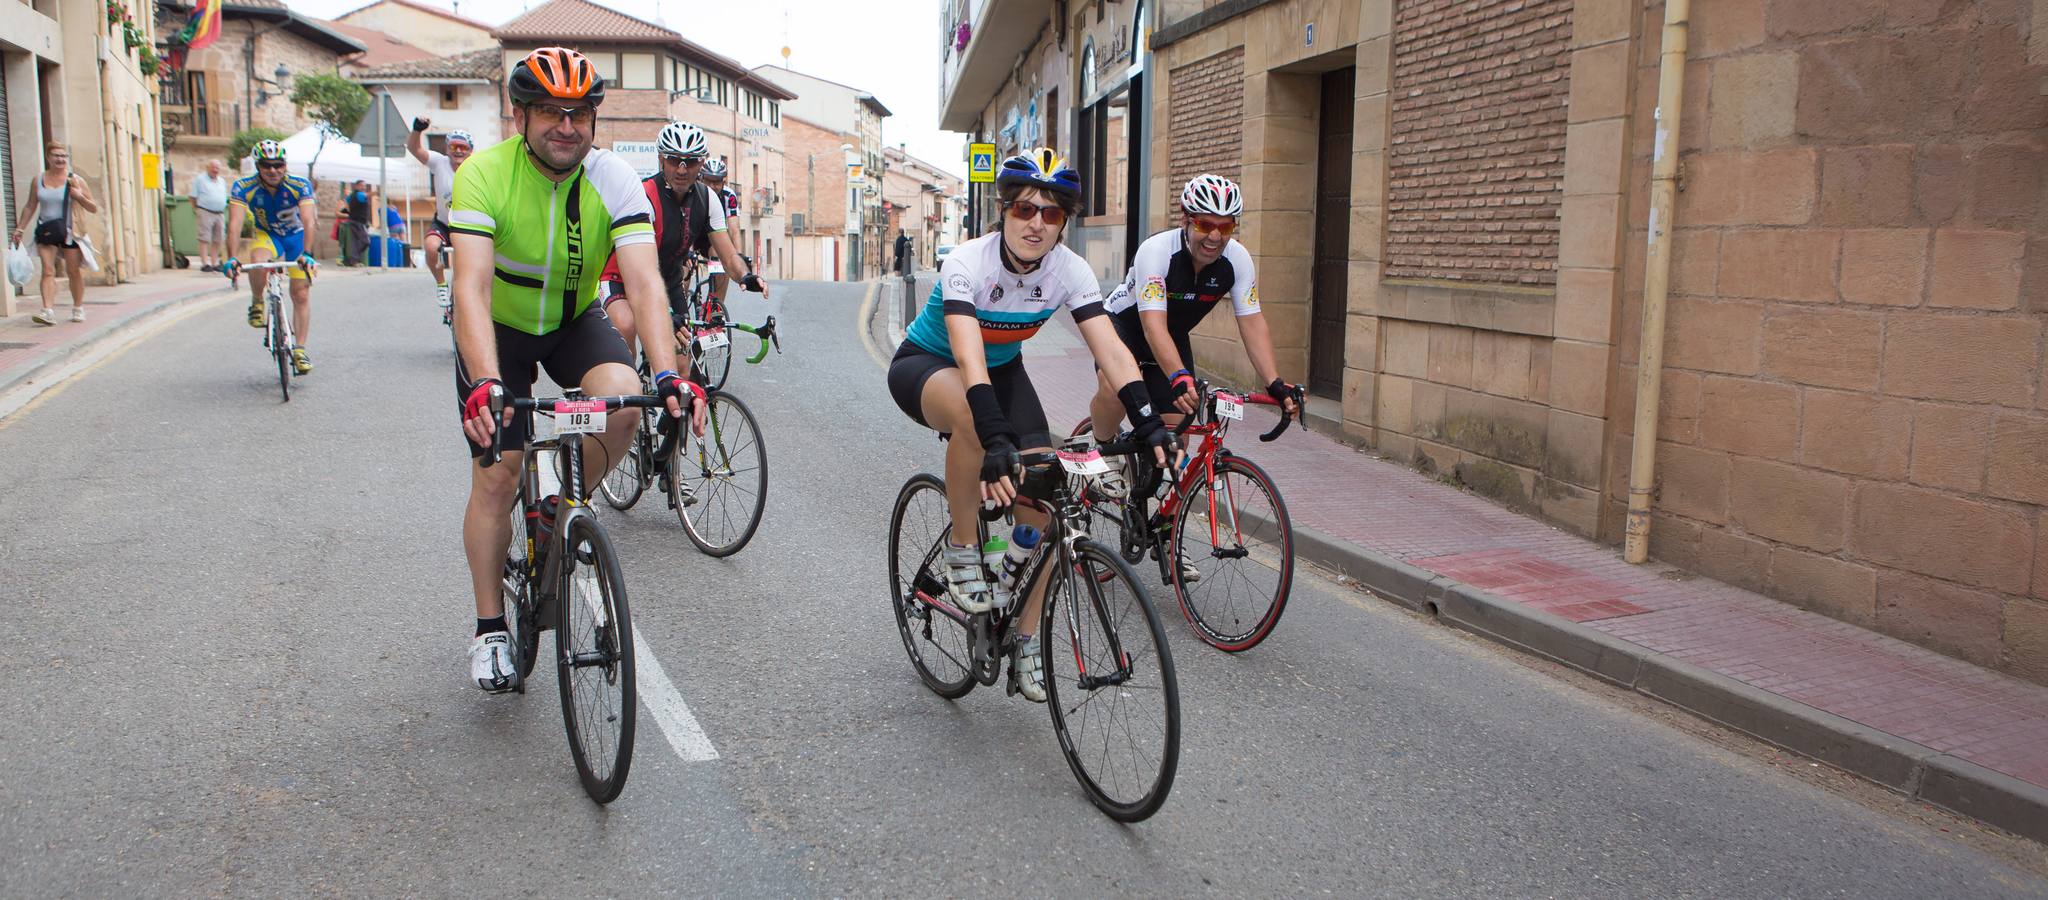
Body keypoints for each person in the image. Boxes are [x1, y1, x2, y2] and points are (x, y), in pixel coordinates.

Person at [451, 47, 707, 692]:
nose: (565, 126)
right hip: (499, 330)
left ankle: (561, 508)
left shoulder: (615, 177)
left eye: (579, 114)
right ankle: (488, 629)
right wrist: (486, 381)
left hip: (571, 318)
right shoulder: (483, 174)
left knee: (624, 400)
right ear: (520, 116)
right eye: (548, 112)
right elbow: (472, 288)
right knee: (498, 476)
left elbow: (646, 284)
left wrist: (671, 373)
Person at [885, 148, 1175, 702]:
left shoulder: (1070, 269)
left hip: (1003, 370)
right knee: (975, 419)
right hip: (930, 364)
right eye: (1024, 209)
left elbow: (1111, 350)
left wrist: (1148, 420)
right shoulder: (969, 260)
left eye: (1050, 213)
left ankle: (1025, 639)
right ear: (1003, 210)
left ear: (1064, 221)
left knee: (1048, 503)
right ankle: (965, 551)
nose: (1036, 223)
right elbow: (969, 357)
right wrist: (996, 440)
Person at [597, 121, 768, 361]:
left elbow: (728, 255)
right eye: (674, 159)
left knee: (682, 367)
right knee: (625, 329)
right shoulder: (643, 196)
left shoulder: (708, 199)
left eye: (691, 162)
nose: (681, 169)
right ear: (661, 159)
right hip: (622, 279)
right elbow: (640, 270)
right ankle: (630, 389)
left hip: (668, 283)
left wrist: (746, 276)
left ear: (702, 162)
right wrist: (662, 313)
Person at [220, 139, 319, 374]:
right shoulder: (243, 186)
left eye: (278, 164)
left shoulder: (299, 184)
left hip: (296, 237)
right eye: (266, 165)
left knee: (300, 293)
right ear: (258, 166)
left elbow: (308, 221)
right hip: (269, 235)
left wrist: (307, 253)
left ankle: (300, 350)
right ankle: (257, 301)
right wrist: (232, 258)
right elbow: (234, 225)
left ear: (285, 165)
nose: (273, 170)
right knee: (258, 262)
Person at [10, 142, 100, 325]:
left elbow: (93, 208)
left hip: (70, 232)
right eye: (56, 156)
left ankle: (78, 308)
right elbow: (30, 206)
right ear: (48, 158)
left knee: (72, 271)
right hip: (47, 230)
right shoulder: (38, 180)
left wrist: (79, 196)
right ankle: (47, 311)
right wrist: (20, 228)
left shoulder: (75, 180)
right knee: (48, 270)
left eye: (63, 156)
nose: (60, 159)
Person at [406, 121, 475, 308]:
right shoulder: (439, 162)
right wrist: (417, 130)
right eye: (454, 146)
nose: (458, 151)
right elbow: (414, 149)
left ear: (470, 150)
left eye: (463, 147)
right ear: (447, 148)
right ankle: (441, 284)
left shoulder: (476, 167)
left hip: (467, 225)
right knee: (430, 247)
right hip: (444, 223)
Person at [190, 158, 230, 272]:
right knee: (204, 238)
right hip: (205, 211)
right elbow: (192, 197)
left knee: (218, 239)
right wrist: (197, 209)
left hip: (219, 213)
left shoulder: (222, 181)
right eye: (213, 167)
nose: (215, 170)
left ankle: (215, 262)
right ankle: (204, 263)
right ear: (208, 168)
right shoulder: (200, 179)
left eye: (217, 168)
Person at [341, 180, 371, 266]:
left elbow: (346, 203)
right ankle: (353, 259)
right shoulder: (359, 194)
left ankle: (352, 261)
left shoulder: (352, 195)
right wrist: (378, 192)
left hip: (354, 221)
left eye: (364, 186)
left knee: (355, 242)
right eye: (362, 185)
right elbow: (367, 195)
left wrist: (350, 211)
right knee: (365, 241)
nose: (364, 187)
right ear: (356, 186)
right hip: (358, 222)